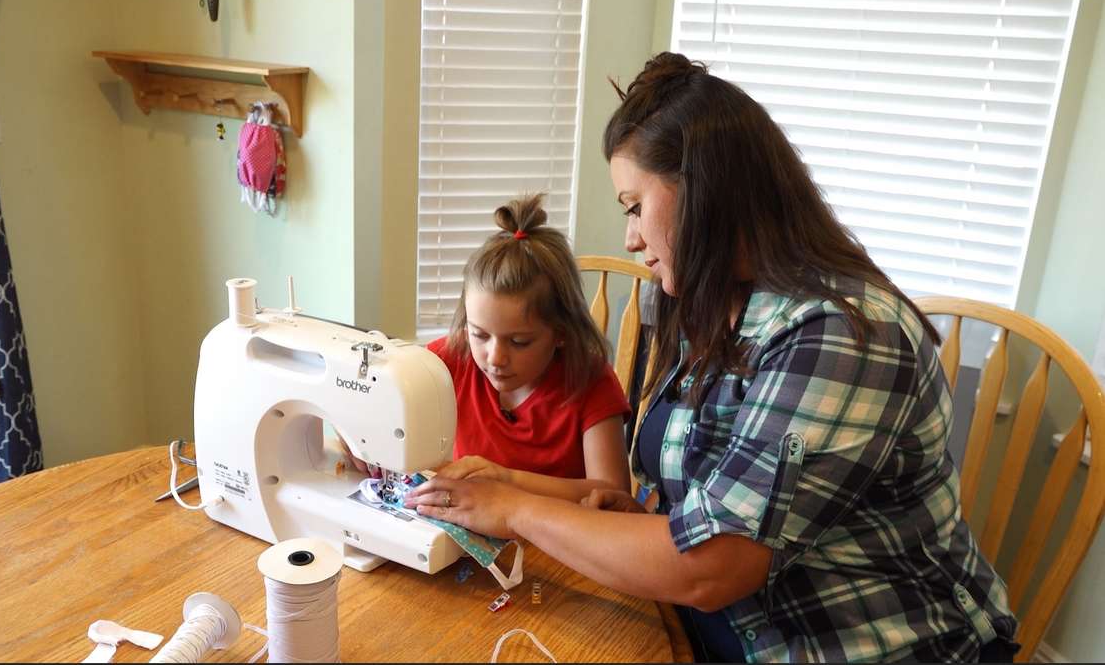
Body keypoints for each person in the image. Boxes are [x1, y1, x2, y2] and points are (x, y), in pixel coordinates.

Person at [407, 53, 1020, 662]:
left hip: (863, 645)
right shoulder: (719, 307)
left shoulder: (844, 336)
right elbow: (706, 504)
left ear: (704, 190)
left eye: (633, 205)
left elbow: (710, 568)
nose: (630, 238)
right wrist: (614, 509)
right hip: (715, 627)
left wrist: (514, 509)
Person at [349, 193, 633, 502]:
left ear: (561, 332)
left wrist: (506, 479)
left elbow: (612, 492)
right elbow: (373, 397)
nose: (495, 358)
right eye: (479, 335)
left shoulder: (590, 382)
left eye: (519, 342)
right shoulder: (446, 362)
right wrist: (351, 424)